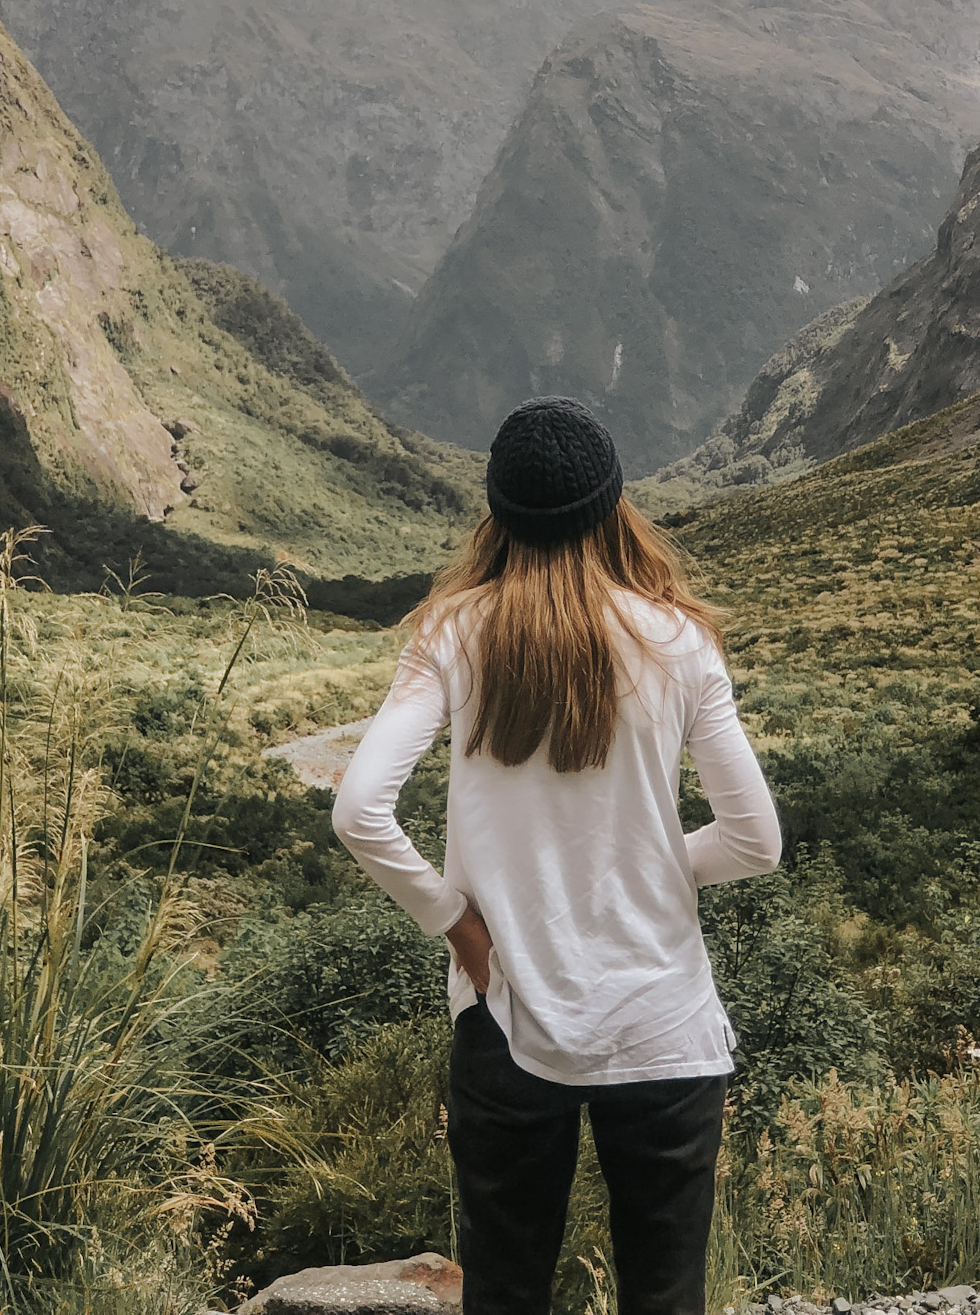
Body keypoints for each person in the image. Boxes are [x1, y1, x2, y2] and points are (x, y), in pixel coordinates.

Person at [332, 395, 781, 1315]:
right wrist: (656, 866)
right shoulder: (681, 642)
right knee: (666, 1296)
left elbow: (359, 812)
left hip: (505, 1012)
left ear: (496, 514)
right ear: (615, 506)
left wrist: (451, 920)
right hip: (662, 1020)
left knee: (504, 1293)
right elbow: (755, 844)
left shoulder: (453, 632)